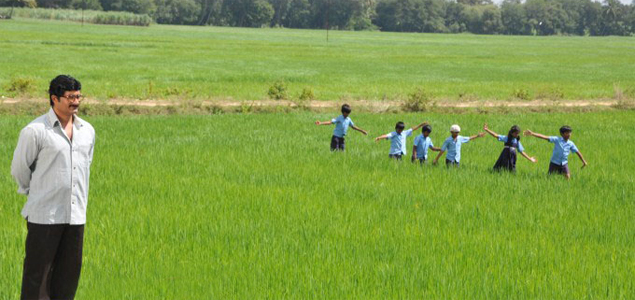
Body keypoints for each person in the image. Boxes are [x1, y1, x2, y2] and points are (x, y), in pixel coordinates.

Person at [11, 75, 96, 300]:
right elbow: (19, 170)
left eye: (78, 96)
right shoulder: (35, 131)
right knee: (37, 278)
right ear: (54, 98)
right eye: (70, 97)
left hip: (75, 216)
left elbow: (85, 166)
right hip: (44, 216)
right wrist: (38, 192)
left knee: (68, 278)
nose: (76, 101)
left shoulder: (87, 130)